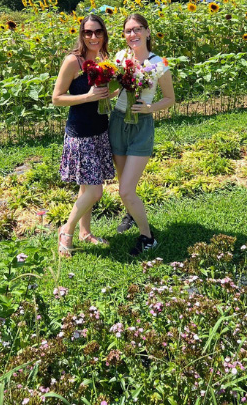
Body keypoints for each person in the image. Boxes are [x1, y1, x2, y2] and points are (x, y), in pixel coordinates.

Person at [109, 13, 175, 255]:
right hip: (117, 122)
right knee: (123, 181)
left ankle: (148, 238)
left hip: (141, 125)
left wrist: (149, 107)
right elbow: (115, 90)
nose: (132, 34)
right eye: (128, 30)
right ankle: (131, 213)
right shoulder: (120, 57)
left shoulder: (159, 63)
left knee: (125, 189)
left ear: (147, 32)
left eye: (137, 29)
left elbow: (170, 99)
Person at [52, 14, 115, 256]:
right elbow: (57, 98)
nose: (93, 37)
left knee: (85, 189)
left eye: (98, 32)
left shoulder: (105, 59)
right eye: (88, 32)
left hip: (100, 130)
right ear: (82, 34)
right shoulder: (73, 61)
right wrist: (87, 97)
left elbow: (104, 93)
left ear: (104, 34)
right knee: (95, 191)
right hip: (80, 135)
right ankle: (66, 231)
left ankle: (85, 232)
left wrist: (129, 86)